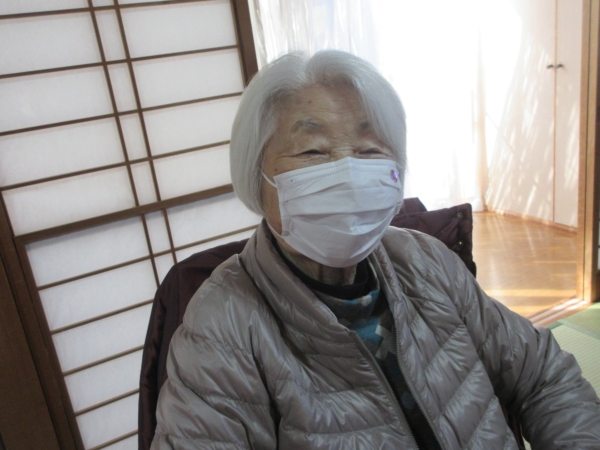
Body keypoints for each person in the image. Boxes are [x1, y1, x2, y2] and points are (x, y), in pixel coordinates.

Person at [151, 50, 600, 449]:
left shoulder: (425, 260)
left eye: (369, 151)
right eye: (312, 152)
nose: (347, 173)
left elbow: (544, 375)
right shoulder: (223, 324)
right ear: (257, 176)